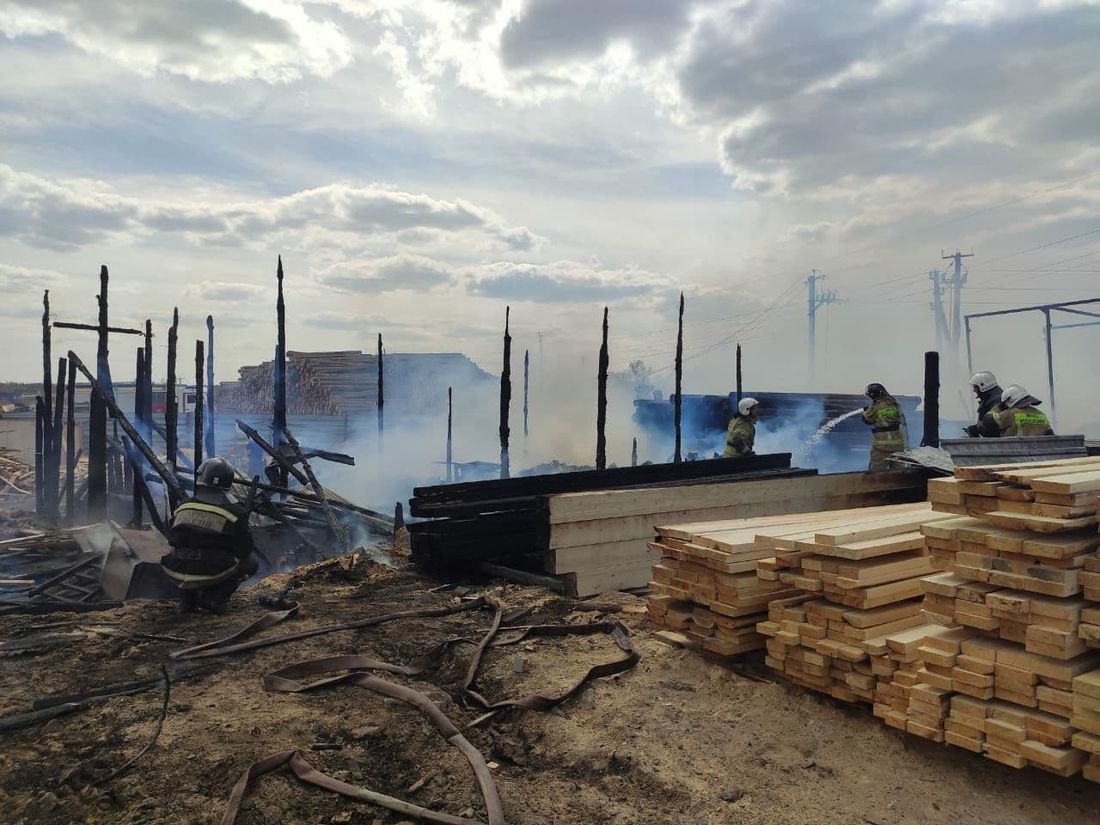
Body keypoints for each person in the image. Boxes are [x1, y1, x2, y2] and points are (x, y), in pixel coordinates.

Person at [161, 457, 258, 614]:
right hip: (208, 572)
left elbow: (171, 537)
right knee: (250, 563)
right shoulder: (235, 512)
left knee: (187, 555)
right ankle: (216, 598)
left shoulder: (183, 506)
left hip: (174, 570)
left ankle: (188, 601)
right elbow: (244, 550)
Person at [974, 384, 1054, 438]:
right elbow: (1050, 435)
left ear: (1009, 401)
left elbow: (987, 422)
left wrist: (998, 407)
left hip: (1015, 452)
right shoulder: (1041, 414)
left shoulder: (1009, 414)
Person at [861, 383, 908, 472]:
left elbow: (867, 420)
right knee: (898, 471)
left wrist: (866, 411)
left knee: (877, 472)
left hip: (881, 445)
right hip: (898, 443)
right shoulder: (894, 403)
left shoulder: (875, 407)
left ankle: (878, 485)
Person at [965, 371, 1003, 437]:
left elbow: (993, 426)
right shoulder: (988, 400)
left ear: (983, 386)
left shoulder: (995, 401)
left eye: (975, 387)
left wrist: (977, 430)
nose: (974, 390)